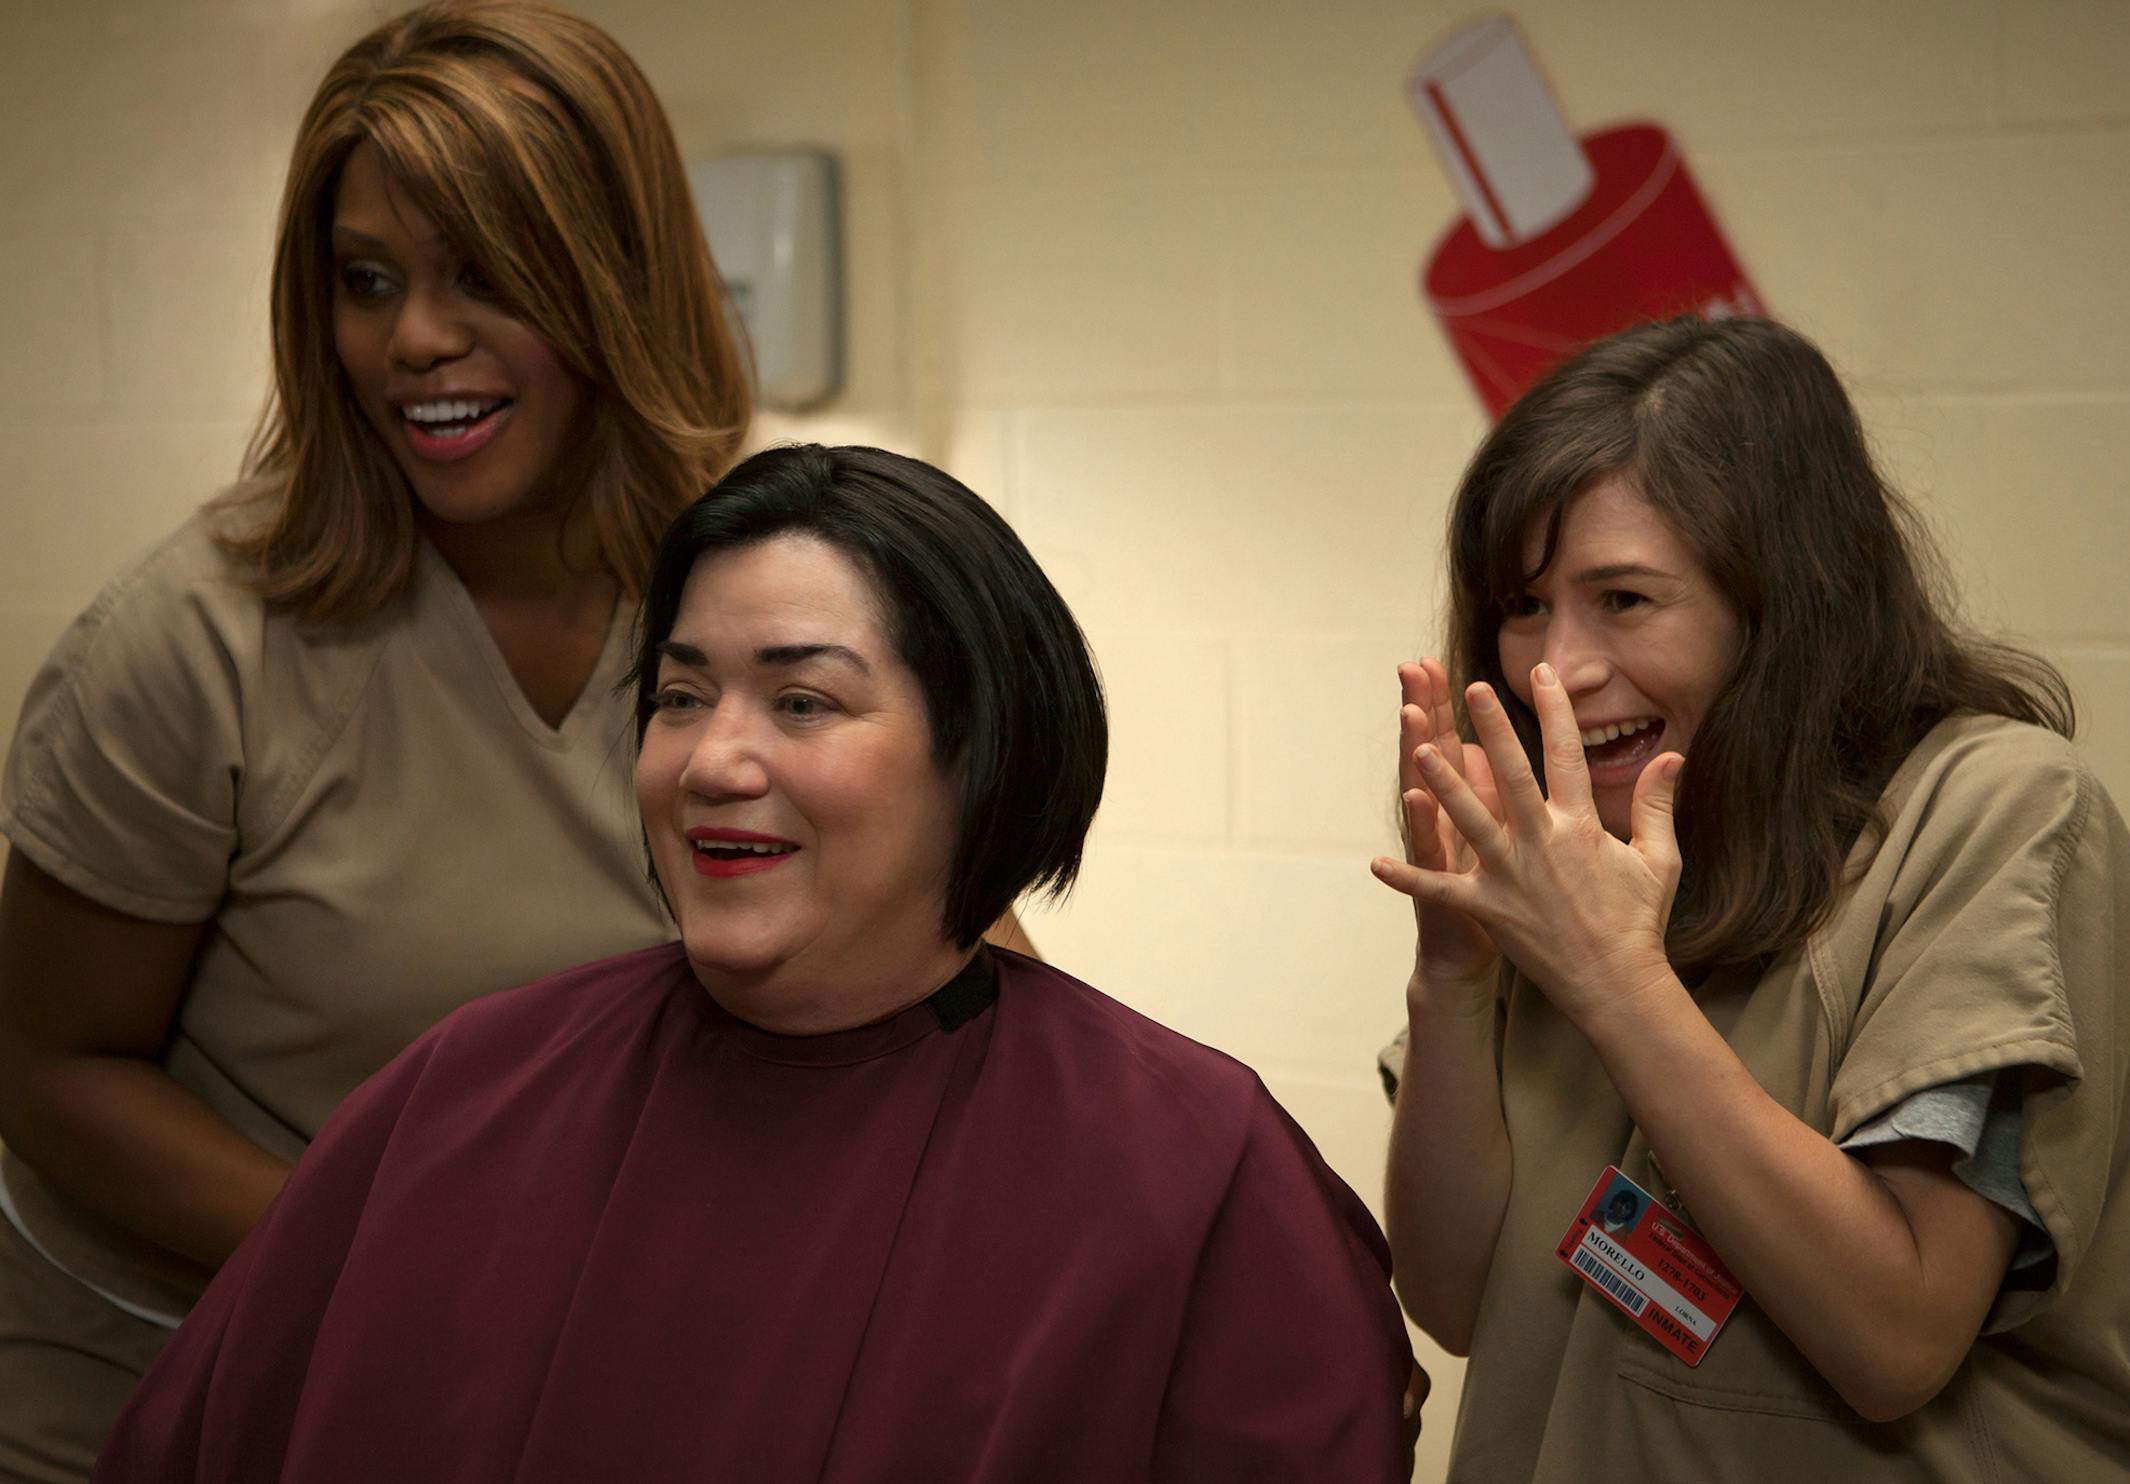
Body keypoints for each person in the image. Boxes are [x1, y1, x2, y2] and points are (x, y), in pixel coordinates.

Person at [93, 443, 1416, 1482]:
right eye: (678, 696)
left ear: (984, 748)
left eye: (803, 701)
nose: (715, 762)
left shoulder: (1192, 1169)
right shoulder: (461, 1098)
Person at [0, 5, 753, 1475]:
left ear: (615, 278)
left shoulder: (747, 594)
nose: (414, 337)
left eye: (483, 274)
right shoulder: (194, 645)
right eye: (368, 280)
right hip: (176, 1390)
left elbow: (957, 976)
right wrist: (421, 1264)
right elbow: (47, 1067)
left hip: (535, 1393)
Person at [1373, 316, 2130, 1481]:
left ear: (1783, 604)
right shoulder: (1568, 858)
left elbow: (1895, 1336)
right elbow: (1453, 1296)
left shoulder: (1996, 809)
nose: (1559, 665)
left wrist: (1614, 980)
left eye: (1624, 600)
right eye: (1526, 604)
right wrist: (1455, 966)